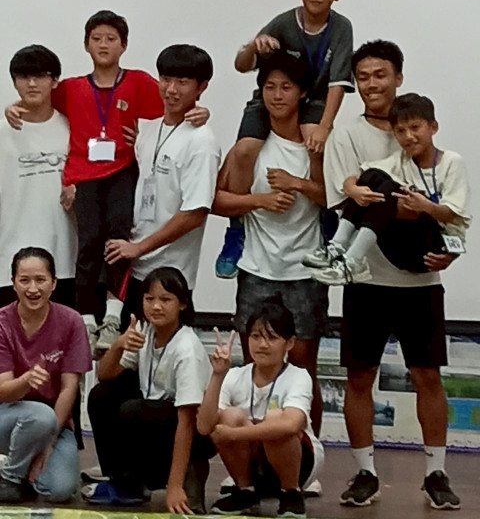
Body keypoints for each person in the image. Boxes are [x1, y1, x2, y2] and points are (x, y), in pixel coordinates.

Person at [5, 12, 209, 354]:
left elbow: (175, 104)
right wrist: (12, 107)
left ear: (124, 45)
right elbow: (36, 97)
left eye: (111, 39)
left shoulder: (139, 82)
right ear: (86, 45)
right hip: (85, 177)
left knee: (119, 241)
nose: (103, 45)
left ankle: (113, 315)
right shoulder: (71, 88)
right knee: (87, 245)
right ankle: (86, 318)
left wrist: (203, 112)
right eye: (96, 38)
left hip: (122, 170)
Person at [320, 40, 463, 509]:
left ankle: (437, 472)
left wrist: (448, 251)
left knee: (428, 376)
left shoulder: (421, 131)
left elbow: (449, 208)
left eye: (380, 74)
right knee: (360, 377)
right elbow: (346, 200)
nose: (371, 84)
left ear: (398, 78)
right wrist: (380, 198)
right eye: (362, 77)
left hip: (421, 280)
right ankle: (365, 472)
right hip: (366, 280)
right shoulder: (346, 136)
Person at [213, 52, 328, 442]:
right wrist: (259, 201)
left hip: (306, 272)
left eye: (286, 88)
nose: (277, 96)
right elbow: (216, 200)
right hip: (256, 269)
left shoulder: (315, 145)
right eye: (269, 87)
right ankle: (253, 451)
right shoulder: (248, 147)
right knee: (255, 367)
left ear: (302, 93)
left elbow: (334, 199)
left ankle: (306, 452)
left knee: (303, 369)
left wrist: (298, 183)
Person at [215, 0, 354, 279]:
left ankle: (325, 217)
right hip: (271, 95)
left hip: (314, 99)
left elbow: (338, 82)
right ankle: (236, 228)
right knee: (245, 150)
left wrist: (325, 126)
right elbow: (241, 65)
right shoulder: (284, 21)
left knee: (314, 142)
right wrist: (253, 46)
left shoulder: (341, 27)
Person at [104, 44, 221, 329]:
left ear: (201, 87)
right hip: (133, 269)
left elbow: (194, 213)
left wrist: (139, 247)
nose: (171, 89)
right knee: (125, 350)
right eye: (166, 79)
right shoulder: (148, 128)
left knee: (167, 353)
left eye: (182, 82)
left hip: (171, 276)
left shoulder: (202, 142)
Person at [83, 267, 213, 513]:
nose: (156, 306)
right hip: (156, 416)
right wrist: (119, 344)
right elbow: (105, 375)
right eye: (149, 298)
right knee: (101, 396)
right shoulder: (145, 329)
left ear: (183, 304)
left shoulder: (187, 349)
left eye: (166, 299)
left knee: (133, 410)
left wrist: (174, 486)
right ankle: (124, 483)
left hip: (194, 432)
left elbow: (187, 420)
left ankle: (188, 473)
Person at [310, 93, 470, 285]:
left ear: (433, 127)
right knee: (373, 177)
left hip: (434, 249)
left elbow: (453, 214)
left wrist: (426, 206)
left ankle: (353, 261)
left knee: (389, 189)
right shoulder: (402, 159)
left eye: (415, 128)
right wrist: (351, 188)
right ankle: (338, 247)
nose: (408, 136)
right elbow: (365, 174)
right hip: (402, 249)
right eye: (400, 131)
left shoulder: (452, 161)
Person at [197, 302, 324, 517]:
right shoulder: (234, 375)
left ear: (289, 343)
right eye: (256, 336)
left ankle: (291, 494)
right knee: (230, 416)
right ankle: (245, 492)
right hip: (253, 464)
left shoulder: (298, 376)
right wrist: (217, 375)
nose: (262, 344)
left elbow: (291, 425)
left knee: (276, 420)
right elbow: (203, 426)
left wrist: (233, 434)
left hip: (301, 465)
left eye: (272, 338)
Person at [0, 247, 92, 503]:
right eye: (24, 280)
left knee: (60, 489)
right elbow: (3, 390)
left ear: (53, 283)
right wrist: (25, 381)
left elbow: (69, 388)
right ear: (13, 283)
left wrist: (48, 443)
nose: (33, 289)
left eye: (40, 280)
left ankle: (20, 470)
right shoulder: (2, 322)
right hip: (7, 416)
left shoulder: (71, 321)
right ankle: (10, 478)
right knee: (38, 415)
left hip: (55, 422)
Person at [0, 46, 76, 308]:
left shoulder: (72, 128)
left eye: (40, 76)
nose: (32, 84)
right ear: (14, 82)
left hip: (66, 260)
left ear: (54, 81)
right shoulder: (2, 132)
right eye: (24, 77)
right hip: (9, 264)